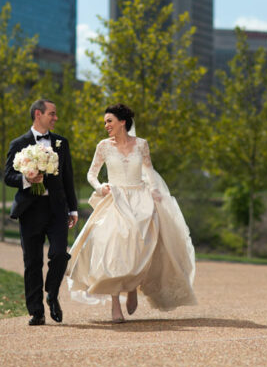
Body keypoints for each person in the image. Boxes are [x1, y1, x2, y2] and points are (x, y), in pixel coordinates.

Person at [66, 103, 196, 322]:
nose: (106, 125)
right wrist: (100, 187)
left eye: (109, 121)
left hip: (141, 200)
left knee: (141, 248)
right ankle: (115, 304)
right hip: (115, 200)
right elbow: (91, 174)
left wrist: (155, 191)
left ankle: (133, 286)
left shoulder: (142, 145)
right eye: (105, 121)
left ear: (122, 122)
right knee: (113, 248)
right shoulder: (103, 146)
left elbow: (149, 171)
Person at [4, 99, 78, 326]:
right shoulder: (19, 144)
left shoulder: (61, 143)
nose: (55, 118)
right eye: (52, 114)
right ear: (39, 114)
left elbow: (67, 177)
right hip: (30, 211)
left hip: (57, 209)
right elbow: (8, 176)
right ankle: (36, 311)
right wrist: (27, 179)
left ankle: (52, 293)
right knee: (32, 262)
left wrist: (73, 208)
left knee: (59, 254)